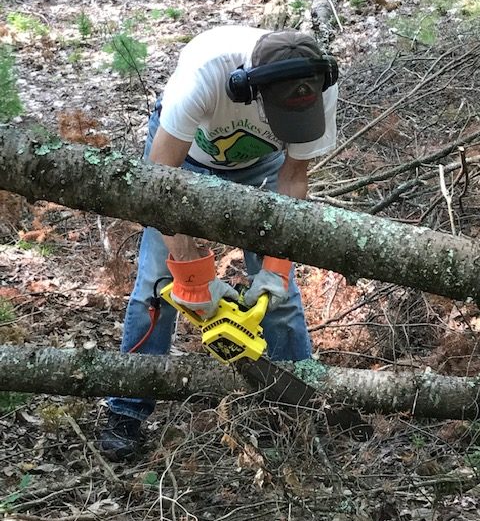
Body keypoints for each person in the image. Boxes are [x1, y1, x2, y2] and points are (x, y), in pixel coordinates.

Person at [100, 25, 339, 460]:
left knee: (280, 298)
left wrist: (276, 268)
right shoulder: (206, 73)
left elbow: (294, 177)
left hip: (262, 167)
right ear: (249, 88)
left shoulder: (316, 82)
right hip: (184, 158)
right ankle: (127, 410)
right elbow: (158, 184)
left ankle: (293, 413)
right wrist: (193, 277)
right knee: (156, 285)